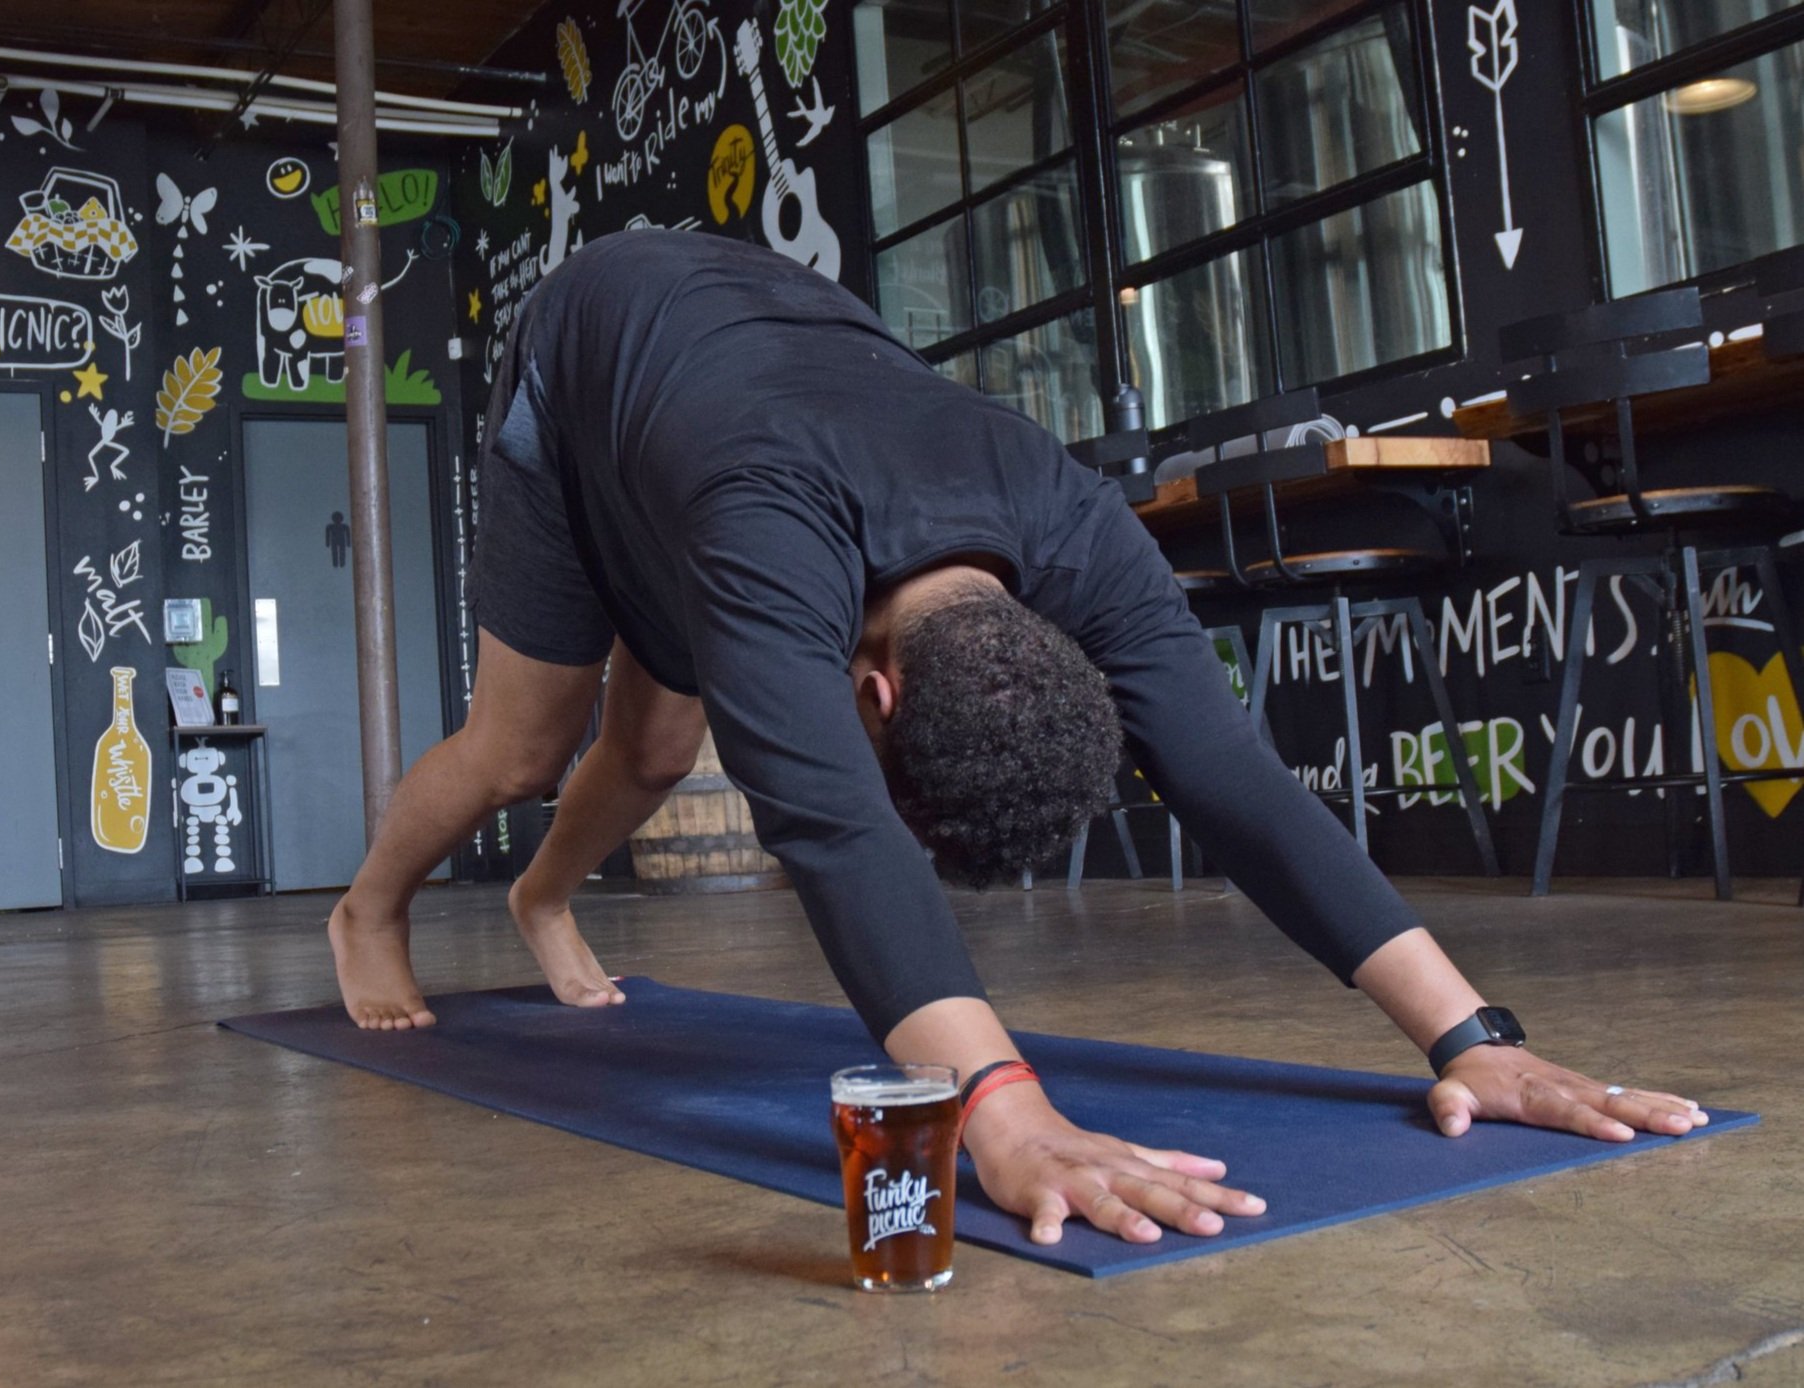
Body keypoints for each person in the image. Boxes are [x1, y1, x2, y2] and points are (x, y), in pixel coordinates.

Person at [327, 231, 1706, 1247]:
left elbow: (1233, 781)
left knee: (650, 750)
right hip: (594, 359)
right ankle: (368, 911)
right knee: (538, 746)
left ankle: (541, 897)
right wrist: (999, 1108)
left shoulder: (1080, 536)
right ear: (876, 697)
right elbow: (836, 829)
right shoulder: (768, 538)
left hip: (742, 373)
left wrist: (1470, 1036)